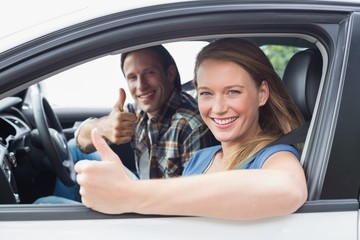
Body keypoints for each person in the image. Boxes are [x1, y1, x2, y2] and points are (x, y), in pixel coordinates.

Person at [74, 38, 308, 220]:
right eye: (206, 93)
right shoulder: (200, 158)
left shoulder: (274, 155)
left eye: (233, 92)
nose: (218, 108)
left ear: (262, 94)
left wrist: (128, 194)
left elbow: (289, 189)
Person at [50, 45, 217, 202]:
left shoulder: (190, 126)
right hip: (141, 188)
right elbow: (80, 141)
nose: (141, 86)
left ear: (170, 73)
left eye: (149, 73)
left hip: (159, 211)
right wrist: (104, 127)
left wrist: (125, 196)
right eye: (132, 78)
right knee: (73, 148)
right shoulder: (138, 111)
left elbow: (193, 201)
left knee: (45, 203)